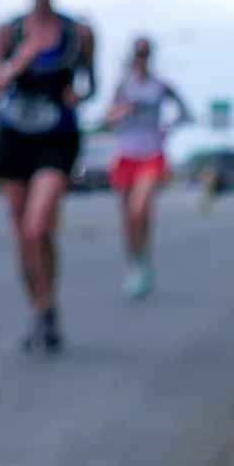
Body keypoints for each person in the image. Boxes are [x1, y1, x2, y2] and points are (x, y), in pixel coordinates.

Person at [0, 0, 95, 352]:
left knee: (37, 225)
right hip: (14, 137)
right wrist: (16, 64)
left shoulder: (77, 33)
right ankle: (40, 310)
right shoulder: (7, 33)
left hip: (56, 138)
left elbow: (89, 85)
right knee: (22, 239)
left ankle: (47, 307)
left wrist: (78, 95)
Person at [100, 36, 191, 298]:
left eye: (145, 52)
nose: (141, 57)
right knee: (128, 218)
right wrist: (119, 113)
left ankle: (142, 265)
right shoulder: (123, 85)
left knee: (139, 210)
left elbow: (185, 112)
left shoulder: (160, 86)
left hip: (150, 153)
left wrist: (167, 129)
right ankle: (137, 262)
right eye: (138, 52)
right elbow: (106, 117)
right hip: (125, 152)